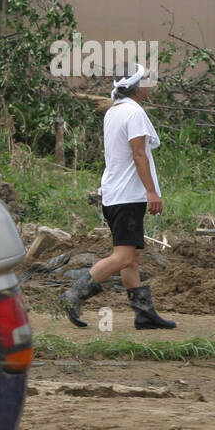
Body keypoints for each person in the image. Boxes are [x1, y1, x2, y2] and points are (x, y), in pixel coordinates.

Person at [59, 63, 176, 330]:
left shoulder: (114, 111)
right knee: (123, 257)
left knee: (131, 257)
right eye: (146, 80)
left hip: (113, 194)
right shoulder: (134, 113)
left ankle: (144, 314)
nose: (150, 83)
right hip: (128, 196)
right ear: (137, 87)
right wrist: (151, 191)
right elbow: (139, 155)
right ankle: (73, 295)